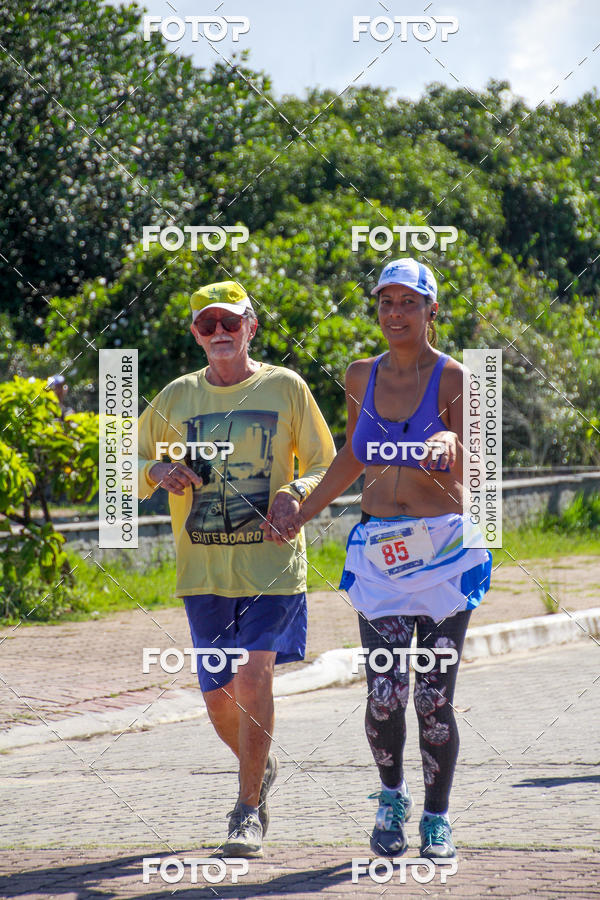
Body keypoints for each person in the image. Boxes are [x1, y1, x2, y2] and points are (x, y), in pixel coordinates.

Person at [270, 258, 492, 861]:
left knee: (433, 696)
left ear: (431, 311)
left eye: (409, 303)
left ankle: (438, 818)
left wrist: (455, 445)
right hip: (381, 552)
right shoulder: (359, 373)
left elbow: (485, 476)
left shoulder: (457, 380)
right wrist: (303, 510)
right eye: (386, 303)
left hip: (444, 550)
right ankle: (391, 799)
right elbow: (351, 456)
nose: (396, 314)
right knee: (385, 694)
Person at [137, 280, 335, 858]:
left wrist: (296, 490)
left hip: (272, 566)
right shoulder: (175, 397)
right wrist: (155, 473)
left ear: (252, 327)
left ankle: (246, 809)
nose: (220, 333)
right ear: (196, 335)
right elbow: (121, 464)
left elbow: (328, 462)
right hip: (203, 572)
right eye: (208, 324)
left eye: (232, 322)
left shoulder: (286, 387)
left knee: (254, 679)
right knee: (219, 698)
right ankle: (261, 766)